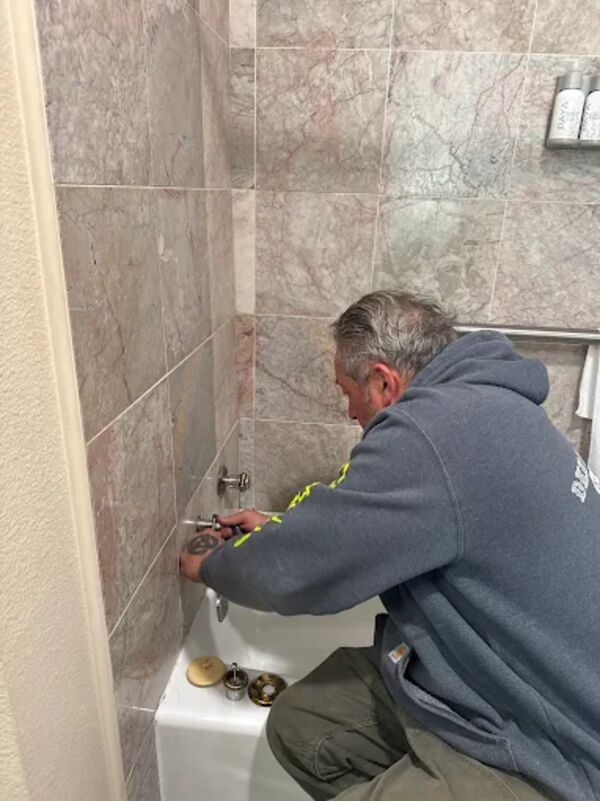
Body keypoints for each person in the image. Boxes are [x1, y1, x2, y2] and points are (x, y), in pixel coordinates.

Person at [180, 290, 600, 801]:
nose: (348, 411)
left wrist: (211, 566)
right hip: (489, 685)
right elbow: (393, 525)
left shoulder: (433, 432)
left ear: (382, 381)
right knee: (302, 728)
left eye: (347, 391)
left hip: (555, 745)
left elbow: (300, 571)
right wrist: (279, 526)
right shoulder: (489, 405)